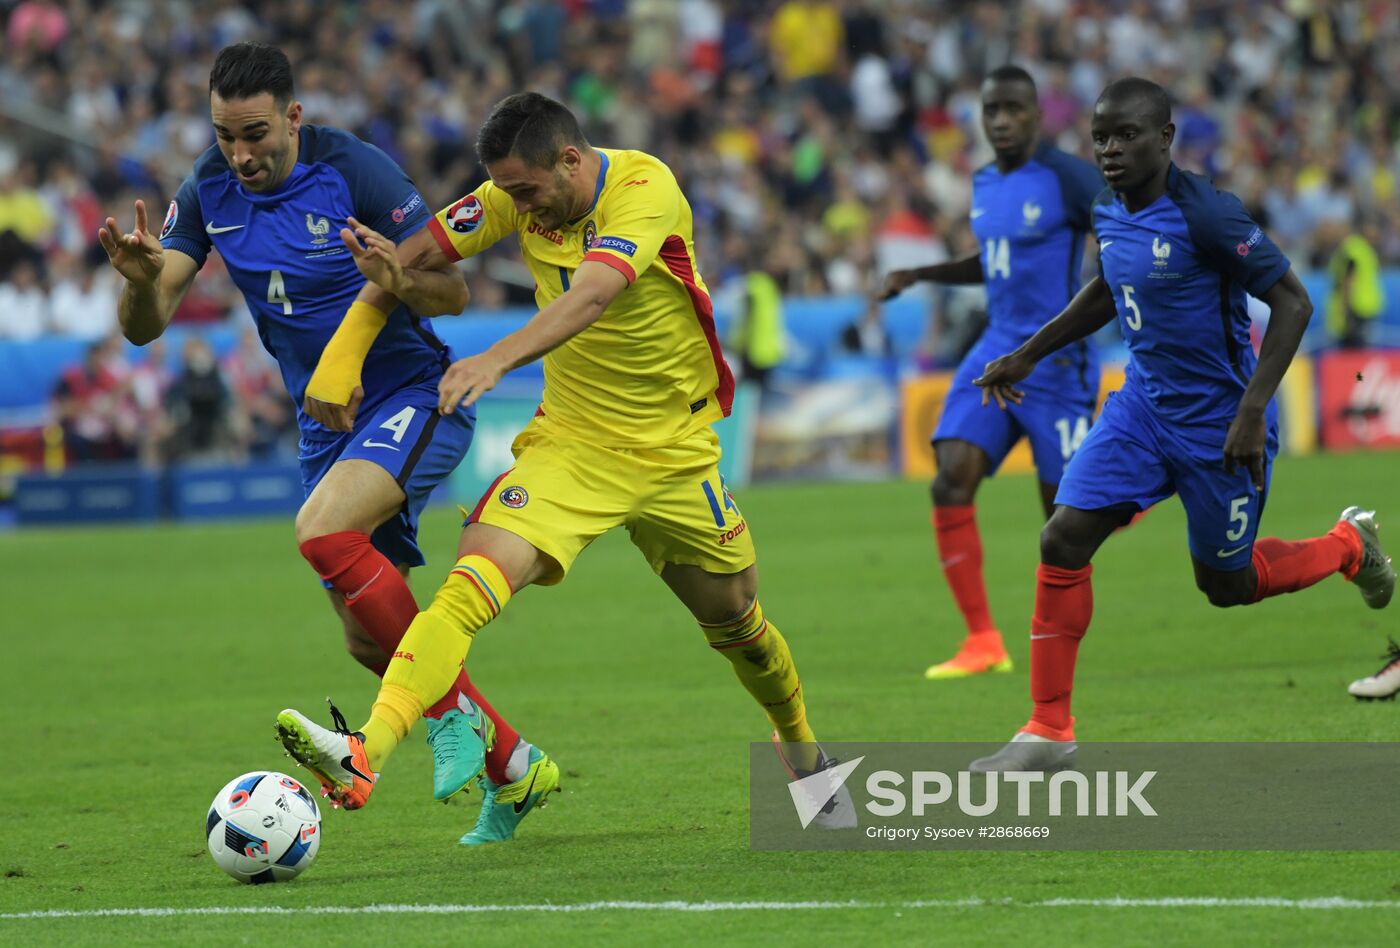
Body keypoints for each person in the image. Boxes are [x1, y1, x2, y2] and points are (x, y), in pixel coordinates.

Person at [275, 91, 854, 837]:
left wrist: (497, 357)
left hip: (675, 453)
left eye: (526, 190)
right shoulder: (514, 199)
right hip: (573, 445)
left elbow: (590, 298)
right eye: (508, 192)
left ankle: (800, 745)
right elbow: (415, 251)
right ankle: (366, 750)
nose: (518, 208)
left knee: (739, 621)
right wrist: (357, 333)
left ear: (572, 160)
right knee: (467, 589)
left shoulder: (645, 191)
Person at [97, 43, 544, 829]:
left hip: (412, 396)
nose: (240, 154)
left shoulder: (356, 172)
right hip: (322, 425)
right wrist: (136, 288)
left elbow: (456, 289)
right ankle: (514, 765)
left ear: (293, 118)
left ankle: (447, 724)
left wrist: (398, 279)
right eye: (225, 135)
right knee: (370, 645)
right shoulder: (205, 187)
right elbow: (147, 323)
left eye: (256, 134)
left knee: (322, 529)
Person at [971, 78, 1395, 771]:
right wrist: (1026, 353)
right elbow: (1110, 288)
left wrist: (1253, 412)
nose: (1109, 149)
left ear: (1165, 140)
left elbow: (1291, 303)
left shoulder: (1208, 214)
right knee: (1063, 537)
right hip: (1142, 408)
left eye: (1126, 135)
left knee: (1227, 586)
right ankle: (1048, 730)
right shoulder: (1109, 209)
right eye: (1101, 136)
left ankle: (1348, 544)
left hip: (1219, 426)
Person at [878, 66, 1104, 681]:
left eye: (1014, 109)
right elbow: (995, 262)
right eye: (991, 110)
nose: (1001, 121)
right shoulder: (982, 183)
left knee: (1067, 521)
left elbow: (1124, 235)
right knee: (950, 478)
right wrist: (922, 274)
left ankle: (1136, 487)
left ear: (1037, 114)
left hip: (1057, 362)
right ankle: (983, 640)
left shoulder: (1069, 178)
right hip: (995, 349)